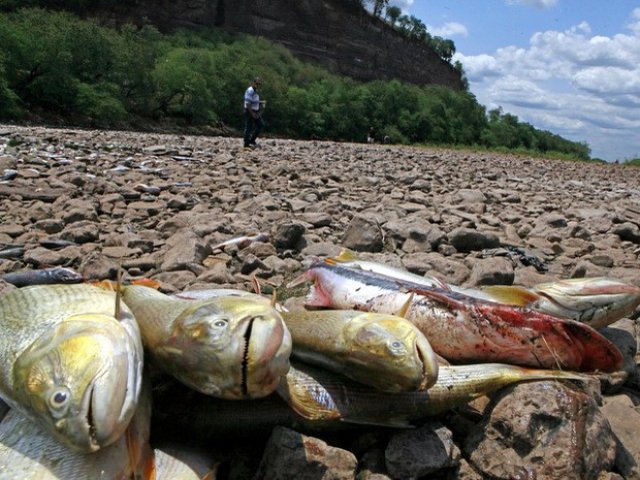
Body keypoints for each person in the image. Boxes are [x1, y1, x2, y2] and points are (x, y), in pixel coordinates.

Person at [243, 77, 266, 149]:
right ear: (253, 83)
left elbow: (253, 101)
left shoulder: (255, 91)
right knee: (248, 127)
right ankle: (246, 144)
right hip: (250, 111)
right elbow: (247, 103)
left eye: (259, 84)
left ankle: (252, 140)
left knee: (260, 125)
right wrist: (252, 113)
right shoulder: (250, 90)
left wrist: (261, 102)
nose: (258, 85)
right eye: (257, 84)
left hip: (255, 111)